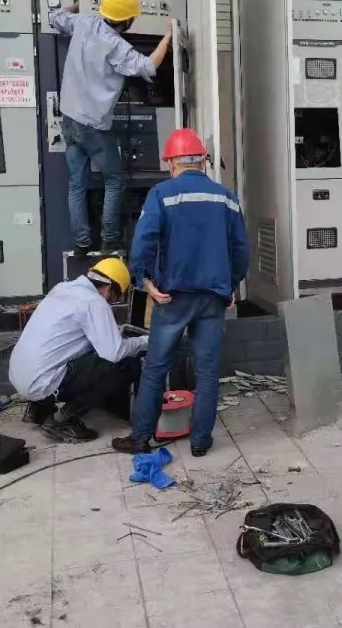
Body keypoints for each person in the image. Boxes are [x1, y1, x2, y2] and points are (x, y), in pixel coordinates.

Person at [112, 129, 249, 457]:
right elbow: (241, 250)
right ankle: (201, 442)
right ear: (202, 161)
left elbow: (144, 240)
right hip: (212, 298)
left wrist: (144, 281)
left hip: (172, 298)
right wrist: (230, 285)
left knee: (156, 367)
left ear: (172, 163)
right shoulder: (226, 198)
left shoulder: (161, 194)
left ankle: (140, 438)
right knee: (208, 372)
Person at [49, 0, 172, 256]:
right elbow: (148, 66)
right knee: (114, 180)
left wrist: (77, 3)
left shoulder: (84, 22)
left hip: (69, 118)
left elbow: (54, 16)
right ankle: (110, 241)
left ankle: (82, 243)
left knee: (76, 183)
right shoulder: (117, 46)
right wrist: (168, 36)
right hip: (93, 125)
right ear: (127, 20)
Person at [9, 257, 150, 443]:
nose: (111, 302)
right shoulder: (95, 302)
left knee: (64, 357)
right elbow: (114, 352)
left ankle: (39, 408)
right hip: (42, 381)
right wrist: (144, 341)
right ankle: (61, 421)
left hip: (20, 375)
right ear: (109, 289)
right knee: (126, 364)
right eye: (115, 297)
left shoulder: (62, 288)